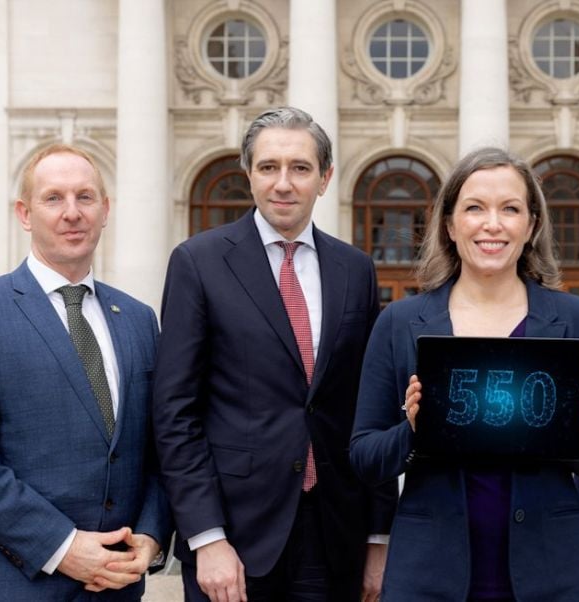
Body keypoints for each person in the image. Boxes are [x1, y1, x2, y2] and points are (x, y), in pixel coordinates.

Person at [349, 147, 579, 601]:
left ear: (531, 225)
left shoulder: (578, 320)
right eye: (474, 208)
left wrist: (570, 430)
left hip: (552, 574)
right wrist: (414, 429)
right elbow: (365, 457)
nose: (492, 224)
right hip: (428, 575)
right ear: (450, 225)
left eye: (510, 209)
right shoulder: (399, 323)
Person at [151, 106, 397, 602]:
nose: (283, 183)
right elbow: (175, 413)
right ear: (249, 175)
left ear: (324, 179)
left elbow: (371, 408)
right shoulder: (197, 263)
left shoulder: (355, 270)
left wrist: (378, 537)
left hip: (334, 536)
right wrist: (206, 537)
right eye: (269, 167)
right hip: (235, 541)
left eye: (300, 168)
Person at [0, 144, 172, 600]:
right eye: (53, 198)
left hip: (118, 586)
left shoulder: (138, 318)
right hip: (16, 584)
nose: (72, 213)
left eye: (85, 197)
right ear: (25, 213)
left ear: (105, 210)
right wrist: (63, 546)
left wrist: (152, 537)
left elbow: (159, 447)